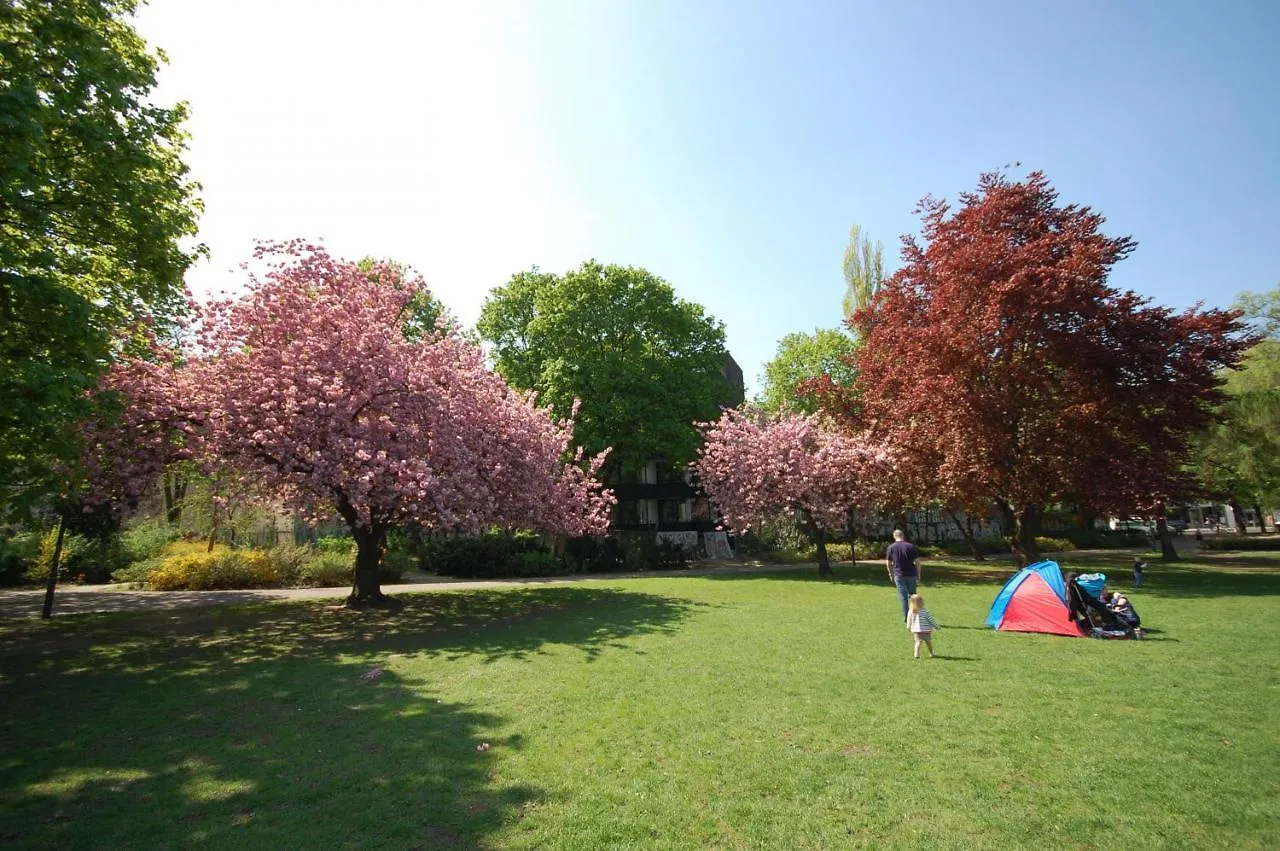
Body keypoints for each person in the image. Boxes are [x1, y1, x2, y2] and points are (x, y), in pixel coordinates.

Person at [885, 529, 921, 622]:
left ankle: (907, 618)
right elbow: (917, 562)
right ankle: (916, 616)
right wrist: (918, 574)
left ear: (894, 536)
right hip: (911, 574)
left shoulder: (891, 547)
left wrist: (891, 574)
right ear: (903, 536)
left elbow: (888, 563)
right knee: (913, 596)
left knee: (903, 597)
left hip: (899, 575)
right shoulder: (910, 546)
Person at [906, 593, 939, 658]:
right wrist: (936, 626)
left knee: (918, 642)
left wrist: (908, 626)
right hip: (926, 630)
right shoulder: (924, 611)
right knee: (928, 642)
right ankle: (931, 653)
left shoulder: (911, 611)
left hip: (917, 631)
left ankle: (916, 654)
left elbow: (908, 619)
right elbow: (930, 619)